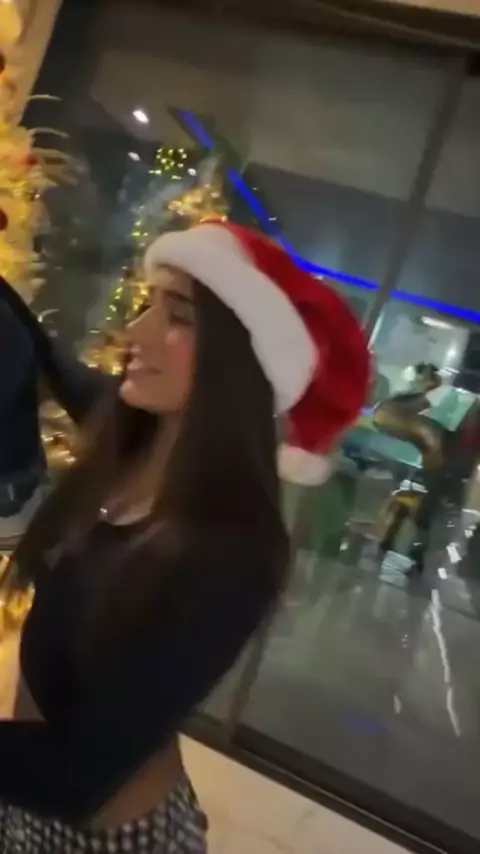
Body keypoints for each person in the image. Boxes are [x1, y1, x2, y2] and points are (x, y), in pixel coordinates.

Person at [0, 220, 369, 853]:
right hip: (23, 793)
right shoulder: (131, 444)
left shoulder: (229, 552)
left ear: (241, 362)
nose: (136, 332)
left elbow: (76, 773)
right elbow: (49, 359)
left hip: (102, 838)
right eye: (148, 304)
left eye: (178, 317)